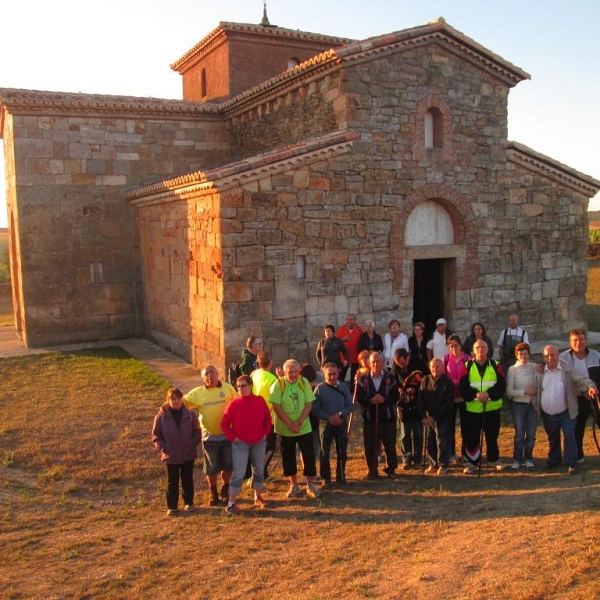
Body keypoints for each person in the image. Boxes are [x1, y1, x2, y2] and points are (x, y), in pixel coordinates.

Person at [537, 345, 597, 475]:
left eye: (552, 355)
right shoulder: (540, 372)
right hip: (548, 414)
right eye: (547, 356)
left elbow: (582, 379)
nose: (550, 358)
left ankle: (572, 462)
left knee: (570, 435)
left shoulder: (567, 370)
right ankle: (554, 460)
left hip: (566, 412)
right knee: (553, 438)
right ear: (543, 358)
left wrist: (591, 386)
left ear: (558, 355)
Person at [183, 365, 237, 505]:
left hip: (227, 435)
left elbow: (238, 404)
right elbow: (181, 403)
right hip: (210, 437)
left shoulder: (228, 388)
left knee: (228, 465)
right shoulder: (197, 393)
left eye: (212, 372)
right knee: (211, 467)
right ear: (203, 378)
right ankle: (213, 491)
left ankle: (225, 489)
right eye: (206, 374)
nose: (210, 376)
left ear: (218, 373)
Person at [269, 359, 322, 498]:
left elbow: (309, 403)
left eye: (295, 372)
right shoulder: (278, 384)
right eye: (290, 372)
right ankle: (293, 485)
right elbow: (276, 406)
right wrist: (289, 423)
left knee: (309, 455)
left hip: (303, 427)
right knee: (288, 457)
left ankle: (310, 485)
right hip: (286, 429)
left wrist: (298, 422)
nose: (293, 375)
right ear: (284, 372)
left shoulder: (303, 382)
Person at [220, 375, 272, 515]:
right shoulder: (234, 404)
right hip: (240, 443)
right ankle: (231, 503)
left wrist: (265, 434)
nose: (240, 388)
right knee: (239, 472)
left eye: (243, 385)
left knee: (259, 469)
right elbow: (224, 424)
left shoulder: (259, 401)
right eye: (238, 386)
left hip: (258, 442)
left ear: (250, 386)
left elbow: (268, 418)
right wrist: (234, 438)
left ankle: (258, 495)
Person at [459, 340, 506, 475]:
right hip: (473, 409)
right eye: (477, 347)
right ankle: (472, 462)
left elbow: (501, 384)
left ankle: (493, 459)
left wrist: (489, 395)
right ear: (473, 350)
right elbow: (463, 386)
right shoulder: (466, 366)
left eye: (483, 347)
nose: (480, 349)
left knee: (492, 435)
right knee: (472, 436)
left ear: (487, 349)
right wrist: (476, 395)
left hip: (491, 408)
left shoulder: (495, 365)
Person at [152, 387, 201, 516]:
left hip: (187, 453)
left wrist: (192, 444)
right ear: (168, 400)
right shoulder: (161, 417)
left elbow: (197, 431)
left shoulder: (190, 415)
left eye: (179, 398)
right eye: (173, 399)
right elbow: (156, 436)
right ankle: (172, 506)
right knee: (172, 481)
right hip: (170, 454)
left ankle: (189, 503)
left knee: (187, 479)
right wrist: (164, 448)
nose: (177, 401)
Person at [355, 351, 400, 478]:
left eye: (378, 361)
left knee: (390, 445)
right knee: (370, 446)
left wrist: (384, 400)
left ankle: (391, 469)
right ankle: (372, 470)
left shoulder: (390, 378)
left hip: (387, 418)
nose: (376, 364)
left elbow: (396, 396)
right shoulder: (363, 379)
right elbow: (359, 397)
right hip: (369, 419)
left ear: (383, 362)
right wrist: (370, 400)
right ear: (369, 363)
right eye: (373, 361)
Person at [559, 329, 600, 463]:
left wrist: (594, 390)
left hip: (595, 397)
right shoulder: (563, 358)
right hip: (576, 398)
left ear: (586, 340)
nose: (578, 343)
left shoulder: (596, 356)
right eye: (575, 340)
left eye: (581, 339)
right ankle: (578, 455)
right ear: (570, 342)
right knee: (577, 428)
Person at [312, 363, 353, 486]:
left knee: (342, 451)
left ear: (338, 373)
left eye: (334, 374)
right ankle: (326, 478)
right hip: (325, 425)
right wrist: (329, 418)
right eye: (329, 374)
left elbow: (349, 406)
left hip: (341, 423)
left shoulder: (344, 387)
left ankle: (341, 476)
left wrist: (340, 415)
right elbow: (315, 409)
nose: (332, 377)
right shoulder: (319, 389)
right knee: (324, 452)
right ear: (324, 374)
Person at [419, 359, 455, 475]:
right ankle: (433, 464)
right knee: (430, 442)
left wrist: (434, 417)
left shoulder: (447, 382)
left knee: (442, 442)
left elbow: (448, 404)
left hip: (442, 417)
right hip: (428, 418)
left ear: (443, 367)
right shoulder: (425, 380)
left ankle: (443, 465)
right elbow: (420, 399)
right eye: (433, 366)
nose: (435, 369)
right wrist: (424, 416)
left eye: (438, 366)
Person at [506, 342, 539, 469]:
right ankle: (517, 459)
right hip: (518, 405)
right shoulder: (512, 369)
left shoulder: (534, 366)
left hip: (532, 405)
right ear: (517, 355)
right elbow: (509, 392)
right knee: (520, 434)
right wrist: (525, 392)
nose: (523, 356)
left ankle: (529, 458)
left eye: (525, 354)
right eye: (521, 354)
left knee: (531, 433)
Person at [392, 348, 424, 470]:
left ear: (407, 357)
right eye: (398, 363)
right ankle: (406, 458)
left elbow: (426, 380)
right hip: (403, 404)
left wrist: (416, 389)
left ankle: (418, 459)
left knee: (418, 433)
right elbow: (394, 381)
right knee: (404, 433)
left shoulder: (418, 362)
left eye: (402, 363)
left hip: (417, 403)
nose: (400, 365)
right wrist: (398, 389)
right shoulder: (396, 365)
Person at [250, 350, 279, 480]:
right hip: (268, 418)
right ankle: (260, 473)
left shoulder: (254, 374)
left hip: (254, 415)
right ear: (271, 362)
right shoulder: (272, 379)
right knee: (269, 447)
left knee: (257, 446)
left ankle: (259, 473)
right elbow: (276, 399)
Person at [442, 334, 469, 462]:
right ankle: (451, 452)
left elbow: (469, 378)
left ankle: (465, 453)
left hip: (464, 397)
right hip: (450, 398)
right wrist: (454, 383)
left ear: (460, 345)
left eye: (456, 345)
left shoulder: (468, 359)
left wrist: (455, 382)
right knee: (450, 426)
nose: (453, 348)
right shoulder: (446, 359)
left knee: (466, 427)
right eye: (451, 346)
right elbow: (443, 377)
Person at [337, 313, 363, 384]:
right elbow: (336, 342)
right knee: (341, 377)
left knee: (354, 378)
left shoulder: (359, 330)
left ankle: (352, 392)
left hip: (355, 357)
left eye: (351, 319)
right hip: (344, 358)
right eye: (348, 319)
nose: (349, 321)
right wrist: (342, 339)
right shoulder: (341, 329)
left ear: (355, 320)